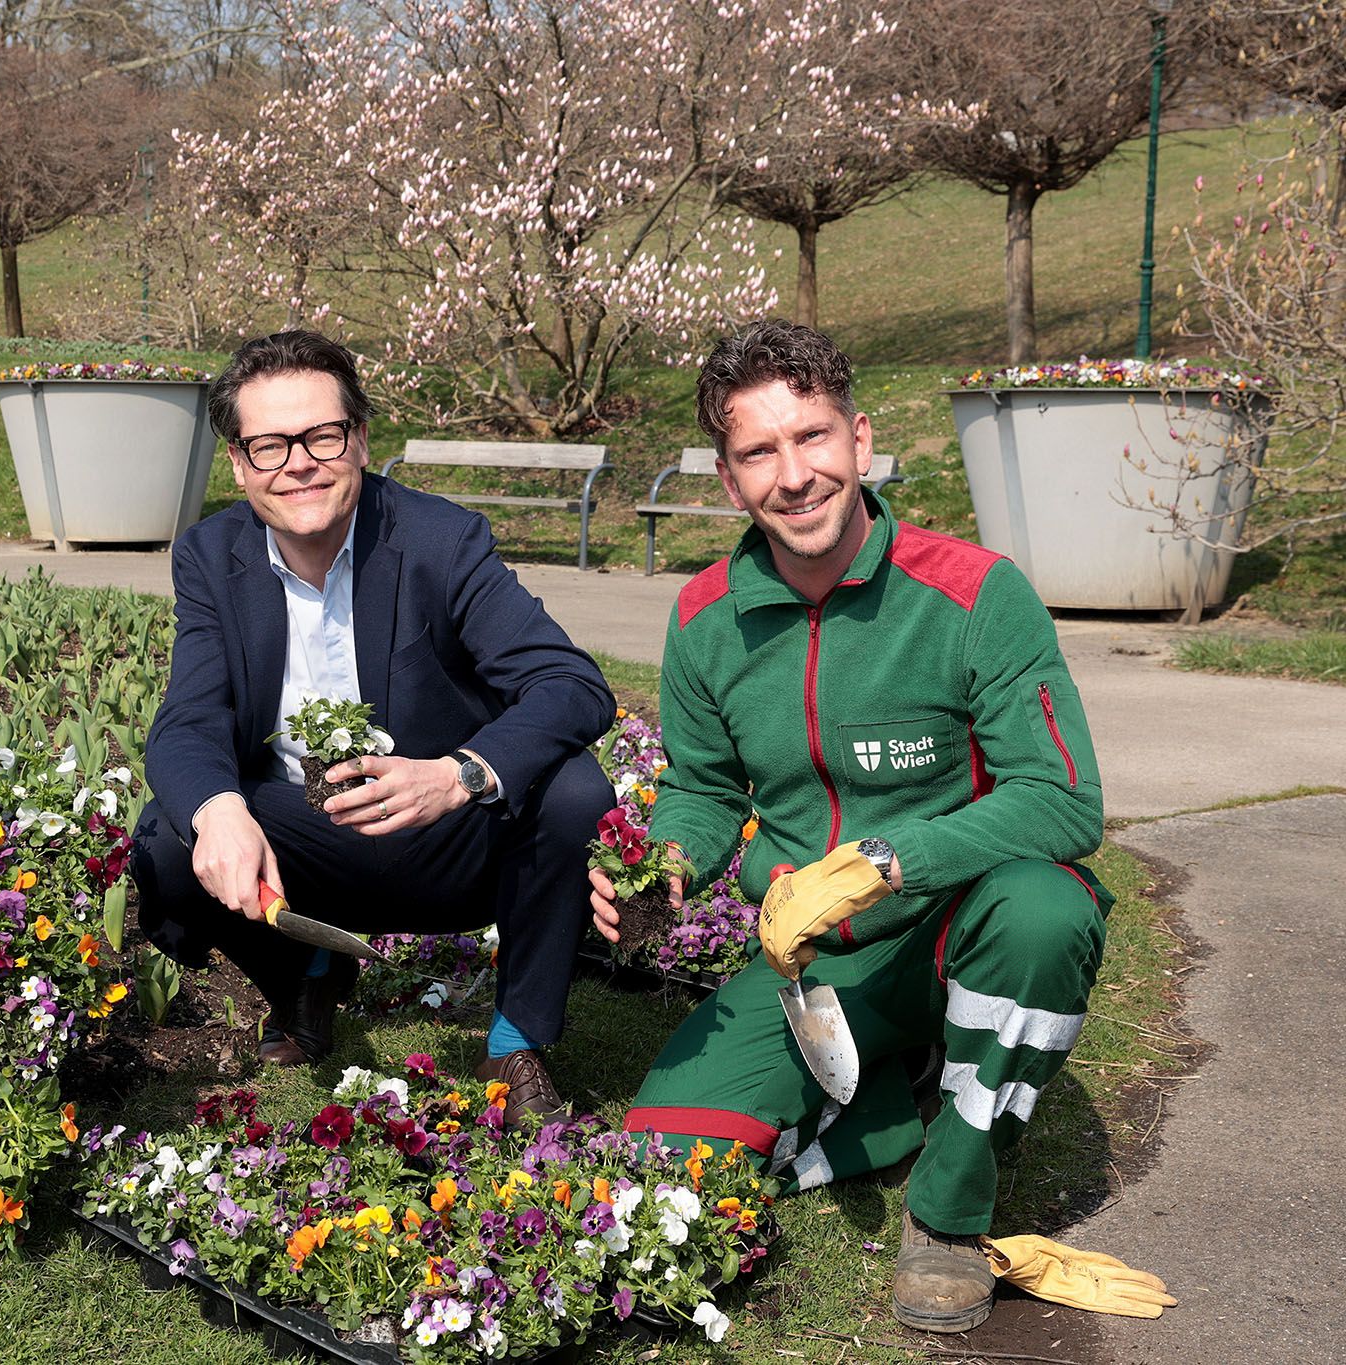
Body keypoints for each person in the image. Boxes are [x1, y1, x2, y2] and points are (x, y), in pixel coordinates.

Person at [593, 320, 1110, 1333]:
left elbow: (1062, 799)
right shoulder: (705, 617)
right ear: (727, 477)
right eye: (758, 452)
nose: (793, 475)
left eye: (813, 438)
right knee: (662, 1164)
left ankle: (949, 1211)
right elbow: (701, 790)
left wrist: (884, 860)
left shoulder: (972, 594)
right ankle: (898, 1092)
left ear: (860, 441)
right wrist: (664, 866)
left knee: (1046, 911)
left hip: (960, 933)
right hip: (810, 973)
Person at [133, 329, 615, 1118]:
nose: (298, 463)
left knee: (572, 788)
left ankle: (517, 1040)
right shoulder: (210, 556)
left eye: (321, 435)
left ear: (359, 439)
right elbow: (187, 719)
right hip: (304, 840)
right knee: (170, 834)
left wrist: (457, 774)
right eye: (268, 445)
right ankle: (302, 977)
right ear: (238, 463)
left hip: (447, 833)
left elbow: (571, 682)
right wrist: (220, 810)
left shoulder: (440, 540)